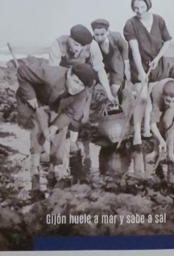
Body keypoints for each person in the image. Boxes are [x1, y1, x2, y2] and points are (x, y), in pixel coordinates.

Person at [15, 57, 98, 186]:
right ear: (69, 73)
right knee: (37, 129)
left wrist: (54, 127)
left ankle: (54, 167)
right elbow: (22, 71)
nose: (76, 87)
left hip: (57, 106)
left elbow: (70, 113)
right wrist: (30, 96)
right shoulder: (50, 74)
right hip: (37, 99)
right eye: (75, 81)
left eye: (81, 85)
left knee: (59, 131)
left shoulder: (82, 94)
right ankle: (35, 167)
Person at [123, 0, 172, 145]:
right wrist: (142, 72)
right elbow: (135, 51)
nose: (139, 11)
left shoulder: (159, 20)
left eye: (142, 7)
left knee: (151, 99)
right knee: (142, 98)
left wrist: (157, 59)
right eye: (136, 8)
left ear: (148, 5)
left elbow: (167, 42)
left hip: (157, 65)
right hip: (139, 66)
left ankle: (146, 129)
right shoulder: (130, 24)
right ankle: (137, 133)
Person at [90, 18, 132, 101]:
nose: (99, 37)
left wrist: (127, 67)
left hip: (116, 63)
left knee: (114, 89)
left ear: (108, 31)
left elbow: (125, 47)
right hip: (101, 64)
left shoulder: (115, 36)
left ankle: (118, 91)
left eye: (102, 34)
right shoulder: (92, 42)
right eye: (96, 35)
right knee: (100, 87)